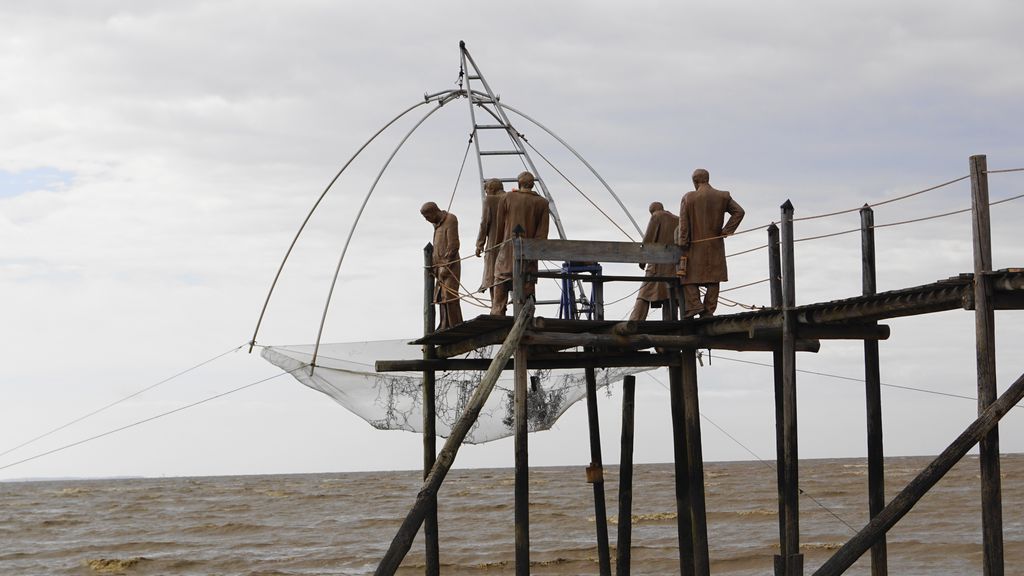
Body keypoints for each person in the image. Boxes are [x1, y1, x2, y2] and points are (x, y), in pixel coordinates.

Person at [677, 168, 745, 318]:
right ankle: (708, 310)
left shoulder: (688, 198)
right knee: (714, 278)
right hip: (715, 245)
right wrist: (726, 231)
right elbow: (739, 212)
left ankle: (695, 306)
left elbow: (684, 225)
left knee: (687, 277)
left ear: (695, 181)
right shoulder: (723, 196)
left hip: (694, 245)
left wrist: (683, 242)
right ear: (708, 179)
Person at [490, 171, 550, 316]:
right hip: (528, 256)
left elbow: (499, 226)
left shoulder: (508, 197)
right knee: (527, 287)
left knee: (500, 284)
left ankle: (497, 315)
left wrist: (496, 245)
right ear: (533, 184)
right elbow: (542, 234)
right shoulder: (542, 202)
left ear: (519, 183)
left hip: (507, 253)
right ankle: (526, 317)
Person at [629, 201, 679, 321]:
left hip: (656, 265)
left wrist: (642, 260)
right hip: (673, 265)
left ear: (653, 211)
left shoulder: (656, 216)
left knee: (644, 293)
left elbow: (648, 239)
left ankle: (635, 320)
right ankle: (672, 321)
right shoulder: (678, 219)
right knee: (670, 294)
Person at [420, 202, 463, 330]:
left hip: (450, 265)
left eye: (427, 217)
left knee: (450, 294)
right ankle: (445, 323)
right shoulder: (437, 225)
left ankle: (455, 324)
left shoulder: (450, 219)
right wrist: (434, 266)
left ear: (434, 211)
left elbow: (453, 244)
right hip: (439, 267)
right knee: (440, 296)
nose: (427, 220)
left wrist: (447, 264)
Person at [475, 178, 506, 296]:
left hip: (495, 243)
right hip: (512, 244)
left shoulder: (490, 200)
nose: (486, 192)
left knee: (493, 275)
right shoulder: (512, 198)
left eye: (486, 190)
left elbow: (484, 223)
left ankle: (496, 307)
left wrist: (479, 244)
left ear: (492, 189)